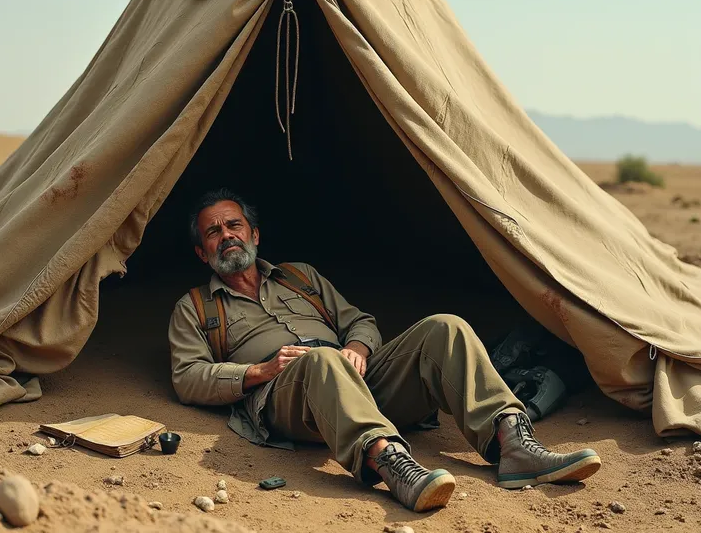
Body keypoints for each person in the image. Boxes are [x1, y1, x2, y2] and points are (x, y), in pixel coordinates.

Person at [168, 188, 601, 512]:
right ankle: (393, 465)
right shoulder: (195, 307)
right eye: (213, 231)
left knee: (444, 328)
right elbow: (187, 377)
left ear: (255, 235)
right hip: (285, 399)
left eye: (233, 225)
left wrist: (356, 346)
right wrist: (259, 371)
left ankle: (513, 445)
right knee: (321, 359)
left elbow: (359, 321)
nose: (226, 236)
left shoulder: (300, 276)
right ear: (202, 253)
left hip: (354, 380)